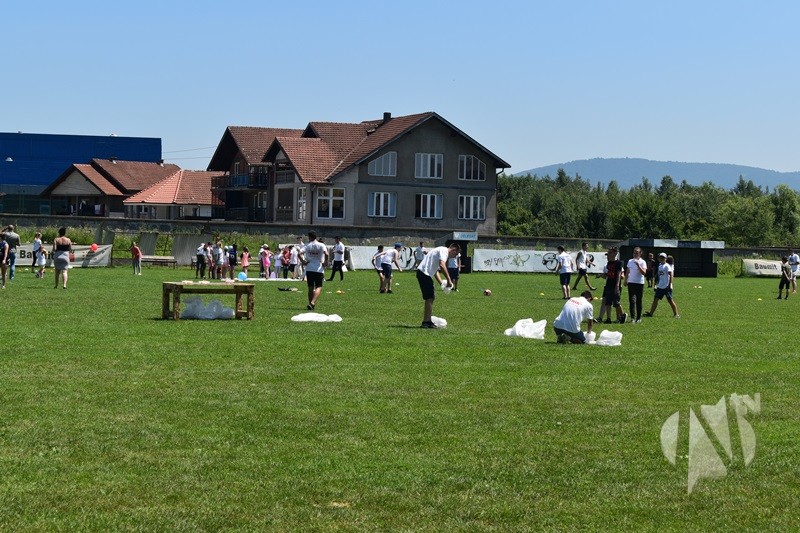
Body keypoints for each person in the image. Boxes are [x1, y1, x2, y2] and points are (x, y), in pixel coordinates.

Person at [416, 243, 459, 329]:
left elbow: (435, 271)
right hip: (424, 273)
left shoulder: (440, 250)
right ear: (454, 250)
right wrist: (449, 280)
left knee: (431, 297)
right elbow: (442, 265)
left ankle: (427, 321)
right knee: (430, 297)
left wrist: (441, 283)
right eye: (456, 254)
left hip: (423, 273)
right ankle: (426, 322)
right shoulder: (444, 251)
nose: (455, 256)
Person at [298, 231, 328, 310]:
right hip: (318, 268)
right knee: (319, 286)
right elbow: (326, 254)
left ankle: (310, 304)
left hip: (309, 268)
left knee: (310, 287)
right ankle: (313, 302)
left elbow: (299, 253)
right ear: (316, 237)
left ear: (309, 237)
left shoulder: (307, 245)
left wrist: (303, 261)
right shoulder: (321, 245)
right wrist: (325, 262)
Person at [644, 253, 680, 318]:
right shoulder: (660, 266)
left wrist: (669, 284)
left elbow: (671, 275)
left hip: (666, 286)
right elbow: (659, 276)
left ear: (666, 259)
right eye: (660, 257)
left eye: (663, 258)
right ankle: (650, 313)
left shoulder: (667, 266)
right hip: (660, 286)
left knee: (670, 300)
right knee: (655, 300)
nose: (661, 259)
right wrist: (656, 283)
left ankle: (676, 314)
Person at [598, 246, 626, 324]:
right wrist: (601, 275)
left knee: (616, 302)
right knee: (608, 302)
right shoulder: (609, 263)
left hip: (615, 285)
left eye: (610, 253)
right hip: (608, 284)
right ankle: (608, 318)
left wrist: (617, 285)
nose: (609, 254)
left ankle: (623, 314)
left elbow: (619, 274)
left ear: (615, 253)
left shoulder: (619, 263)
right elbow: (608, 274)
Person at [625, 247, 647, 323]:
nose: (635, 254)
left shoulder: (643, 262)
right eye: (634, 252)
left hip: (639, 283)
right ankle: (632, 318)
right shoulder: (630, 261)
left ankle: (638, 318)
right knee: (632, 300)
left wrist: (638, 265)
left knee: (639, 300)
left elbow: (644, 273)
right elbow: (627, 271)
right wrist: (625, 280)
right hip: (631, 282)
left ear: (640, 253)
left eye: (637, 253)